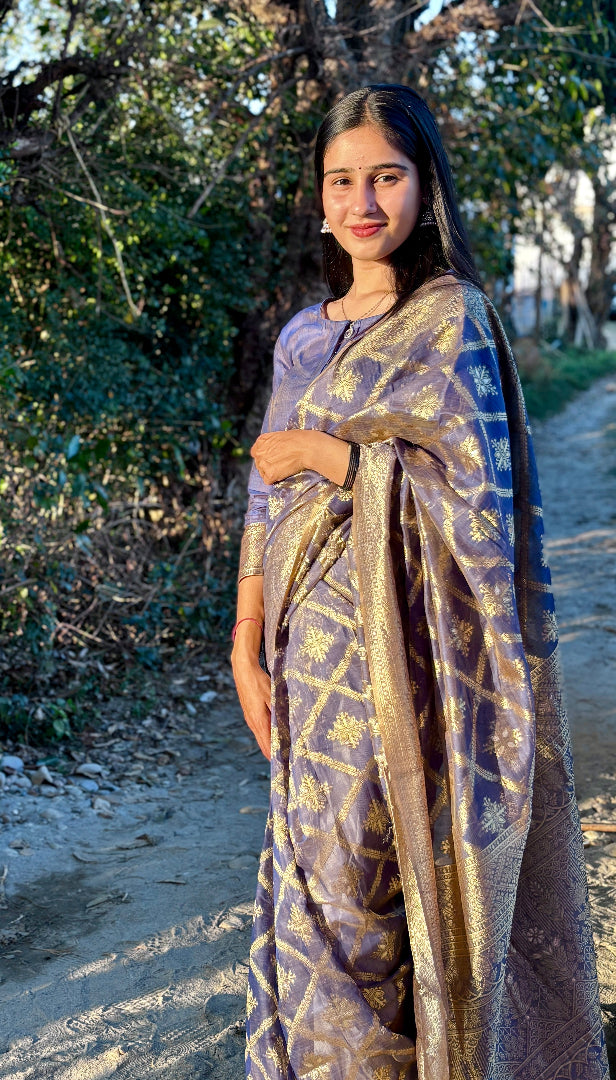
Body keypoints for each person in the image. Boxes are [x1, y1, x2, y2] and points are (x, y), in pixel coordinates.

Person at [230, 84, 608, 1080]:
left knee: (376, 880)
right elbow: (265, 500)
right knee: (316, 876)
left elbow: (477, 507)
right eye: (341, 181)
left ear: (424, 185)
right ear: (319, 197)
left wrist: (337, 457)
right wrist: (244, 637)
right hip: (303, 652)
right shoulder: (302, 336)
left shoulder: (451, 320)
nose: (362, 202)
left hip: (412, 655)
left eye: (386, 177)